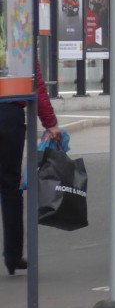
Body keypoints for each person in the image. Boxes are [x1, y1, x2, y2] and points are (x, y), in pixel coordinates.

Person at [0, 62, 62, 275]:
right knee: (10, 187)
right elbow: (37, 84)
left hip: (8, 115)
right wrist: (50, 123)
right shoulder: (18, 34)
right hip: (8, 116)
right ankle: (13, 255)